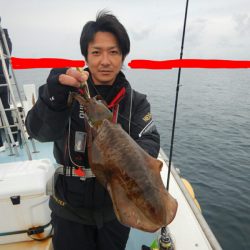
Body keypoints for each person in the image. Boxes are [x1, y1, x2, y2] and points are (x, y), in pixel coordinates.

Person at [25, 11, 160, 250]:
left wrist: (120, 149)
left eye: (114, 52)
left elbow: (150, 142)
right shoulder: (66, 92)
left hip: (115, 212)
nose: (105, 61)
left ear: (123, 56)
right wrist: (52, 99)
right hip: (69, 210)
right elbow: (39, 133)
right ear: (86, 56)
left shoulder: (136, 102)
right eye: (96, 52)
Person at [0, 27, 18, 152]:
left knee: (5, 107)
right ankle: (6, 141)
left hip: (2, 80)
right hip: (3, 78)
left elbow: (7, 50)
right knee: (5, 107)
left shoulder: (3, 35)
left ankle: (13, 139)